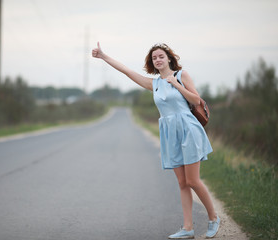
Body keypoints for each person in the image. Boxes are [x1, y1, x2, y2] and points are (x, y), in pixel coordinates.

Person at [92, 42, 220, 239]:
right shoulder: (154, 84)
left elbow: (196, 100)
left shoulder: (181, 75)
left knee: (193, 180)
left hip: (188, 130)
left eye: (161, 56)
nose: (158, 60)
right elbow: (126, 70)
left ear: (169, 58)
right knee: (182, 182)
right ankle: (188, 228)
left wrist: (176, 85)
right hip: (169, 133)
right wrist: (103, 56)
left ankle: (213, 217)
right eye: (154, 58)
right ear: (152, 62)